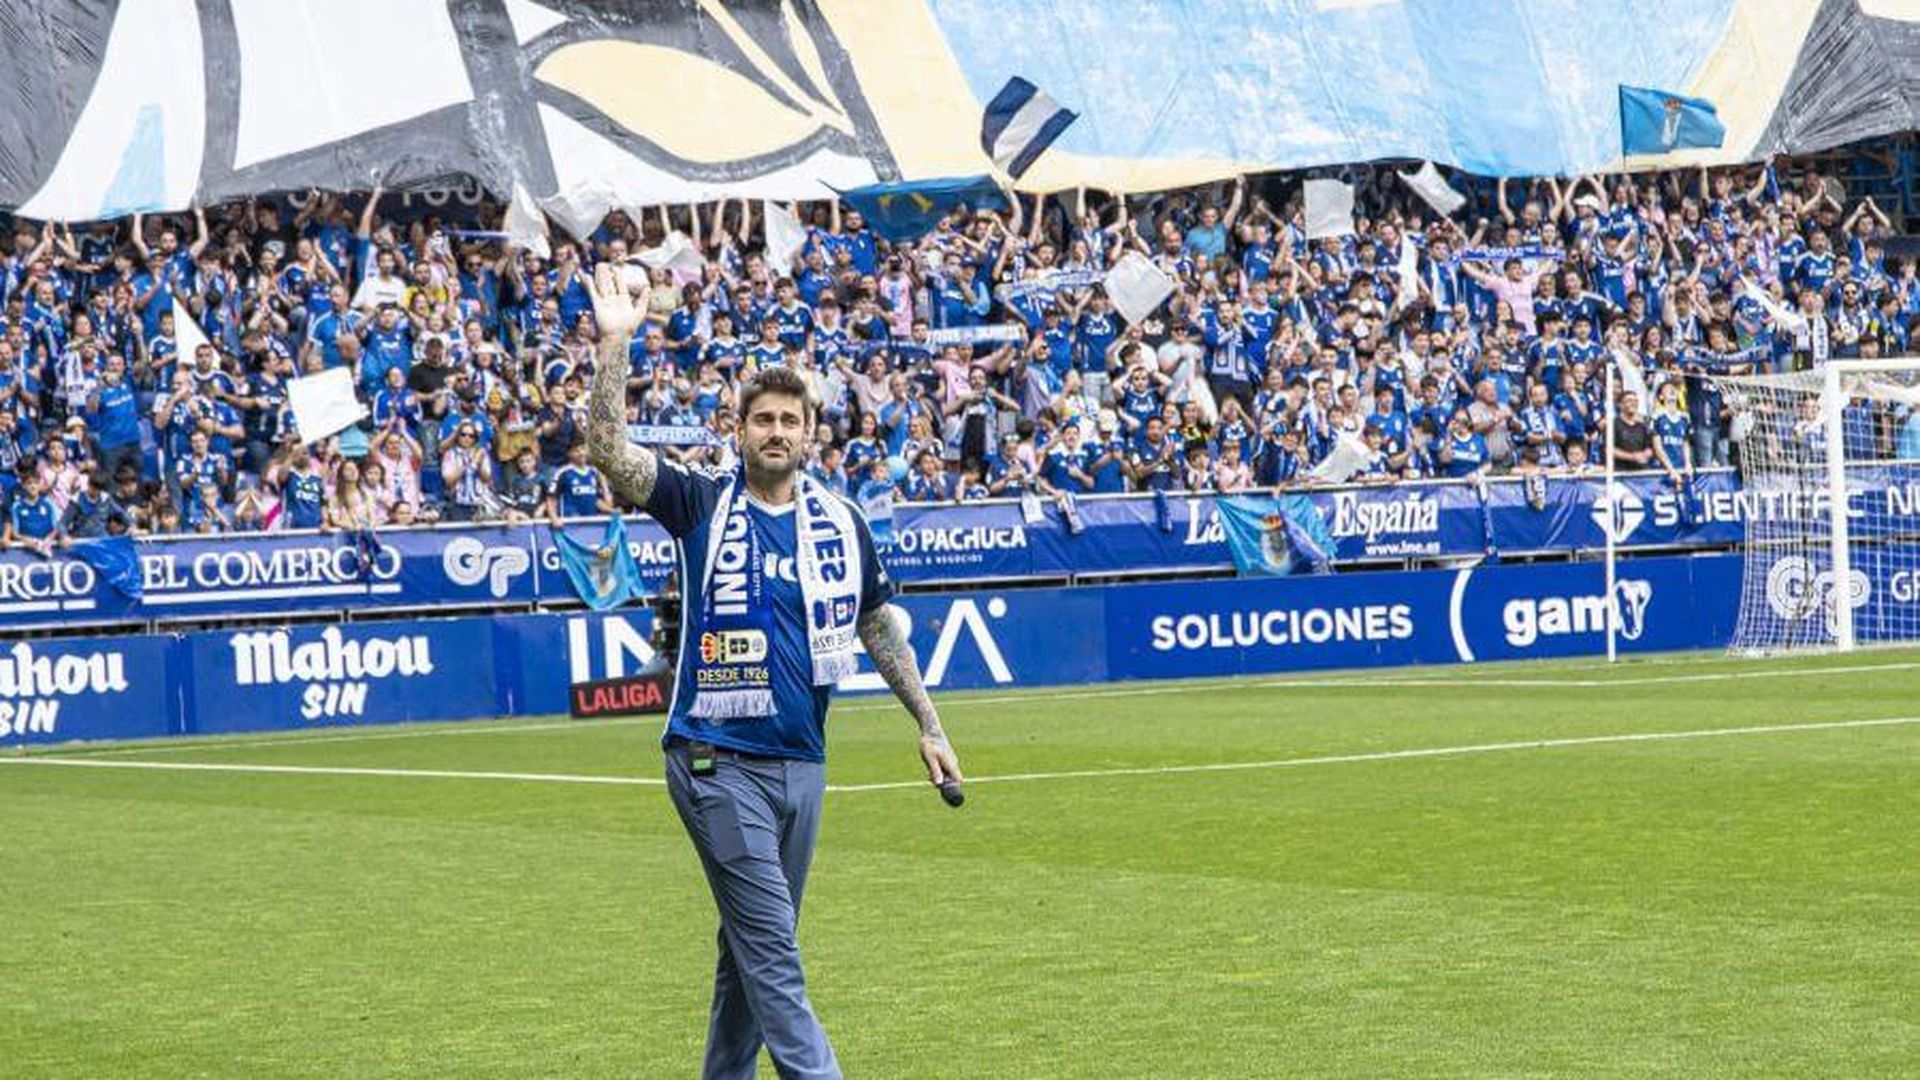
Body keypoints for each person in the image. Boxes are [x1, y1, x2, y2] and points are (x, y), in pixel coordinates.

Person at [583, 264, 961, 1080]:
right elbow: (610, 452)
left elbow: (876, 626)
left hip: (804, 765)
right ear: (738, 429)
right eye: (763, 419)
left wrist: (929, 726)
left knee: (748, 950)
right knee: (774, 951)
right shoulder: (698, 503)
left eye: (791, 419)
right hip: (715, 758)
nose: (777, 431)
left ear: (811, 433)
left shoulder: (841, 522)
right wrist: (615, 345)